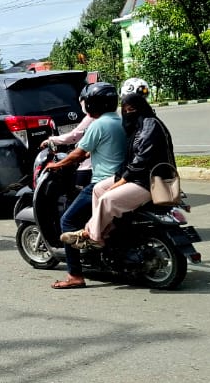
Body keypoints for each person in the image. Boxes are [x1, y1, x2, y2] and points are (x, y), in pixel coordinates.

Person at [61, 91, 175, 253]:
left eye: (131, 109)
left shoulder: (150, 125)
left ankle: (92, 237)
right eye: (125, 109)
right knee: (98, 188)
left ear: (140, 107)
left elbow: (142, 160)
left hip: (152, 181)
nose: (127, 112)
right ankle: (103, 231)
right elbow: (129, 158)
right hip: (139, 177)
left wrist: (122, 180)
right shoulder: (138, 126)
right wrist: (119, 177)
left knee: (108, 199)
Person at [45, 82, 127, 290]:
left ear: (91, 104)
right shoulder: (120, 121)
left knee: (68, 220)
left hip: (103, 181)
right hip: (122, 180)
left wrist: (57, 164)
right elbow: (101, 148)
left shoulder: (98, 124)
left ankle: (74, 275)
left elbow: (78, 153)